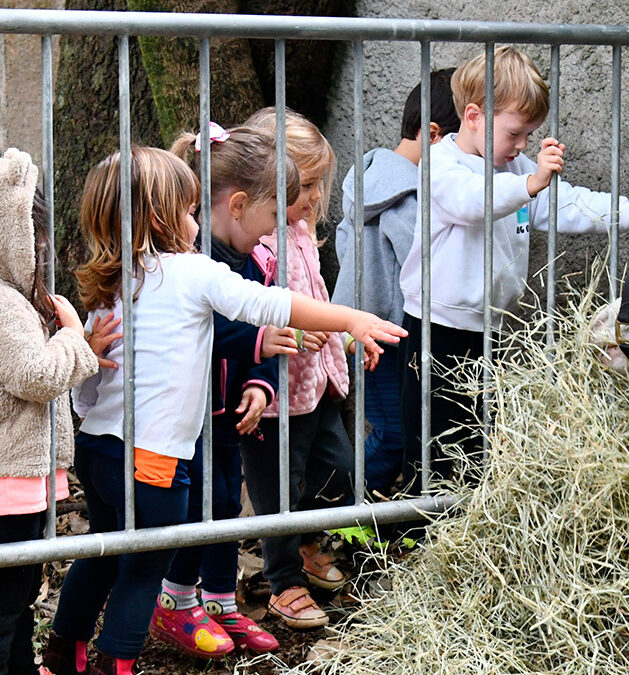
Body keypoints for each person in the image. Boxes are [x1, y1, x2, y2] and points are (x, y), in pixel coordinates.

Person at [41, 145, 405, 675]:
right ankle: (114, 665)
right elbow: (269, 305)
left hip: (98, 450)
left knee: (102, 553)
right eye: (190, 211)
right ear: (167, 219)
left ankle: (63, 652)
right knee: (144, 570)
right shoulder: (193, 272)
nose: (197, 222)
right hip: (154, 460)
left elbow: (89, 392)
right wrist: (349, 318)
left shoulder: (111, 285)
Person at [396, 46, 629, 501]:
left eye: (530, 134)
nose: (523, 145)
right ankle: (414, 542)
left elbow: (567, 202)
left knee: (476, 442)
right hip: (436, 329)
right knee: (429, 446)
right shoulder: (441, 165)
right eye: (515, 132)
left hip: (489, 326)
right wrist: (530, 184)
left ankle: (466, 531)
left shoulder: (515, 168)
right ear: (473, 116)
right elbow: (472, 202)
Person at [147, 124, 304, 659]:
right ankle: (174, 603)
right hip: (184, 412)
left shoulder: (258, 261)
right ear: (238, 205)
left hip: (229, 412)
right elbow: (209, 329)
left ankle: (219, 601)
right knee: (189, 505)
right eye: (270, 218)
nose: (273, 232)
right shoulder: (188, 260)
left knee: (222, 503)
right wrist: (261, 340)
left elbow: (266, 345)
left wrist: (261, 385)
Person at [0, 148, 114, 675]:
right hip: (10, 486)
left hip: (18, 484)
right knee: (5, 605)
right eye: (37, 238)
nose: (44, 250)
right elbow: (36, 376)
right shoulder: (5, 304)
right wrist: (74, 338)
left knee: (18, 600)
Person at [242, 107, 355, 630]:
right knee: (278, 491)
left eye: (317, 184)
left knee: (338, 470)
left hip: (318, 382)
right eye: (303, 184)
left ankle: (311, 544)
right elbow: (250, 311)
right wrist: (278, 337)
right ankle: (284, 580)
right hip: (274, 395)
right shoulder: (257, 241)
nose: (312, 196)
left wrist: (342, 337)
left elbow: (315, 295)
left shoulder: (303, 231)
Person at [331, 68, 460, 500]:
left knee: (393, 429)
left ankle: (351, 511)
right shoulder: (410, 195)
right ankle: (339, 507)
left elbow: (343, 244)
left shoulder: (366, 179)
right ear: (435, 135)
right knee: (396, 434)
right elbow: (424, 261)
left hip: (362, 326)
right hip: (386, 333)